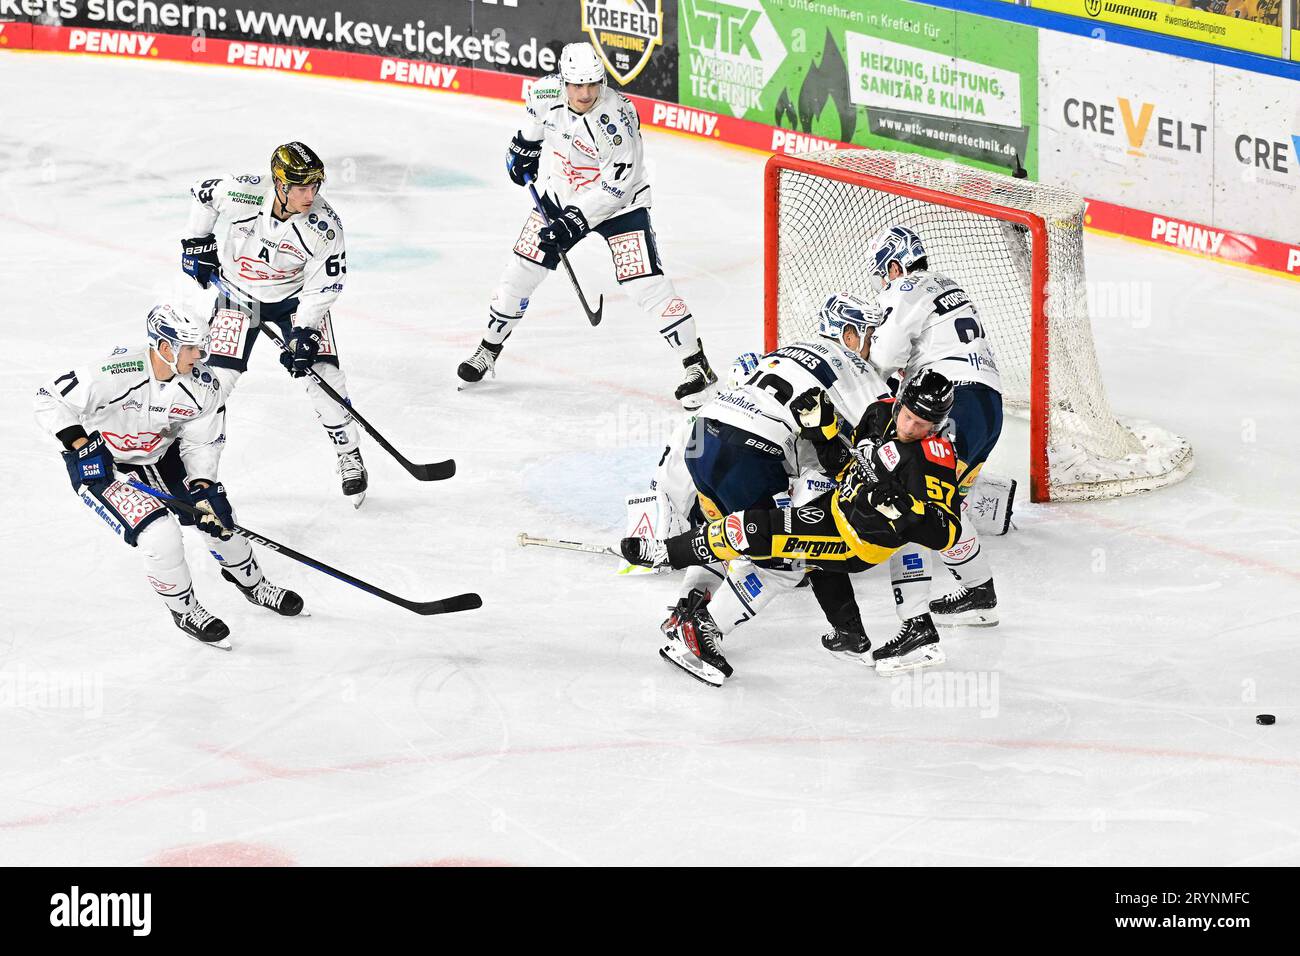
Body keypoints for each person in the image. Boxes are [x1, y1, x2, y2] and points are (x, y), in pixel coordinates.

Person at [625, 371, 960, 684]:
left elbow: (946, 531)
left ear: (937, 424)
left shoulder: (934, 457)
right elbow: (845, 467)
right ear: (899, 402)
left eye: (922, 424)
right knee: (794, 561)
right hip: (832, 509)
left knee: (754, 532)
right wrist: (824, 431)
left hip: (859, 541)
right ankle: (850, 635)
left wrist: (905, 509)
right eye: (908, 416)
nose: (911, 427)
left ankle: (670, 562)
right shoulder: (878, 414)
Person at [625, 294, 888, 679]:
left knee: (736, 535)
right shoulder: (855, 367)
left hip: (702, 437)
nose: (871, 343)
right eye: (868, 334)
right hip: (748, 452)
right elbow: (883, 430)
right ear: (848, 335)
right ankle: (700, 630)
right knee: (785, 559)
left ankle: (690, 607)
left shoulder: (789, 349)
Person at [456, 41, 717, 408]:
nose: (586, 93)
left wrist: (573, 222)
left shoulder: (619, 118)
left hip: (619, 208)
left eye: (593, 84)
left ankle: (695, 363)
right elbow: (532, 131)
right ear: (563, 81)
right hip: (561, 197)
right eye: (577, 85)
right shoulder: (544, 93)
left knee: (645, 284)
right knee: (520, 272)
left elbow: (617, 186)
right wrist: (522, 153)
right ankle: (488, 348)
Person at [34, 304, 302, 650]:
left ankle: (253, 583)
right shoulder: (114, 372)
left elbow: (202, 441)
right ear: (165, 347)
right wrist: (80, 443)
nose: (200, 355)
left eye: (201, 346)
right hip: (104, 467)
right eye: (190, 348)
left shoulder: (203, 386)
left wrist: (203, 485)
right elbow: (48, 398)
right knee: (160, 535)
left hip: (162, 457)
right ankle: (185, 610)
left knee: (219, 519)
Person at [181, 142, 369, 505]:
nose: (310, 195)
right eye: (301, 187)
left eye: (315, 186)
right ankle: (200, 475)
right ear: (280, 185)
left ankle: (349, 453)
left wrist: (305, 333)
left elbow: (324, 285)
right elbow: (202, 194)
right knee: (213, 385)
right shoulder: (243, 192)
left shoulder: (324, 227)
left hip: (294, 303)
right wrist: (195, 241)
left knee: (323, 377)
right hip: (237, 295)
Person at [866, 225, 1005, 628]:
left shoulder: (906, 286)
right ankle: (978, 591)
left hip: (949, 401)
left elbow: (887, 355)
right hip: (987, 403)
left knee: (924, 500)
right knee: (947, 497)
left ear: (894, 265)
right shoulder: (947, 284)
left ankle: (928, 618)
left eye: (883, 273)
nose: (883, 282)